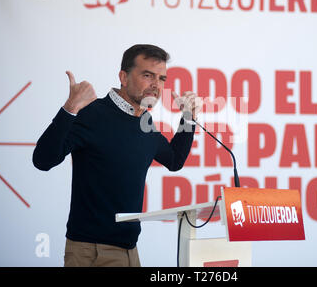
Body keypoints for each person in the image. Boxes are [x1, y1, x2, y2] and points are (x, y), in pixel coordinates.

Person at [32, 44, 201, 267]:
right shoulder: (93, 113)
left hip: (130, 250)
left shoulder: (145, 123)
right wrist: (70, 108)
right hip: (92, 252)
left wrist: (188, 118)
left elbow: (174, 160)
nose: (155, 85)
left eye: (161, 79)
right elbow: (42, 160)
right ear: (123, 76)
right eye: (147, 75)